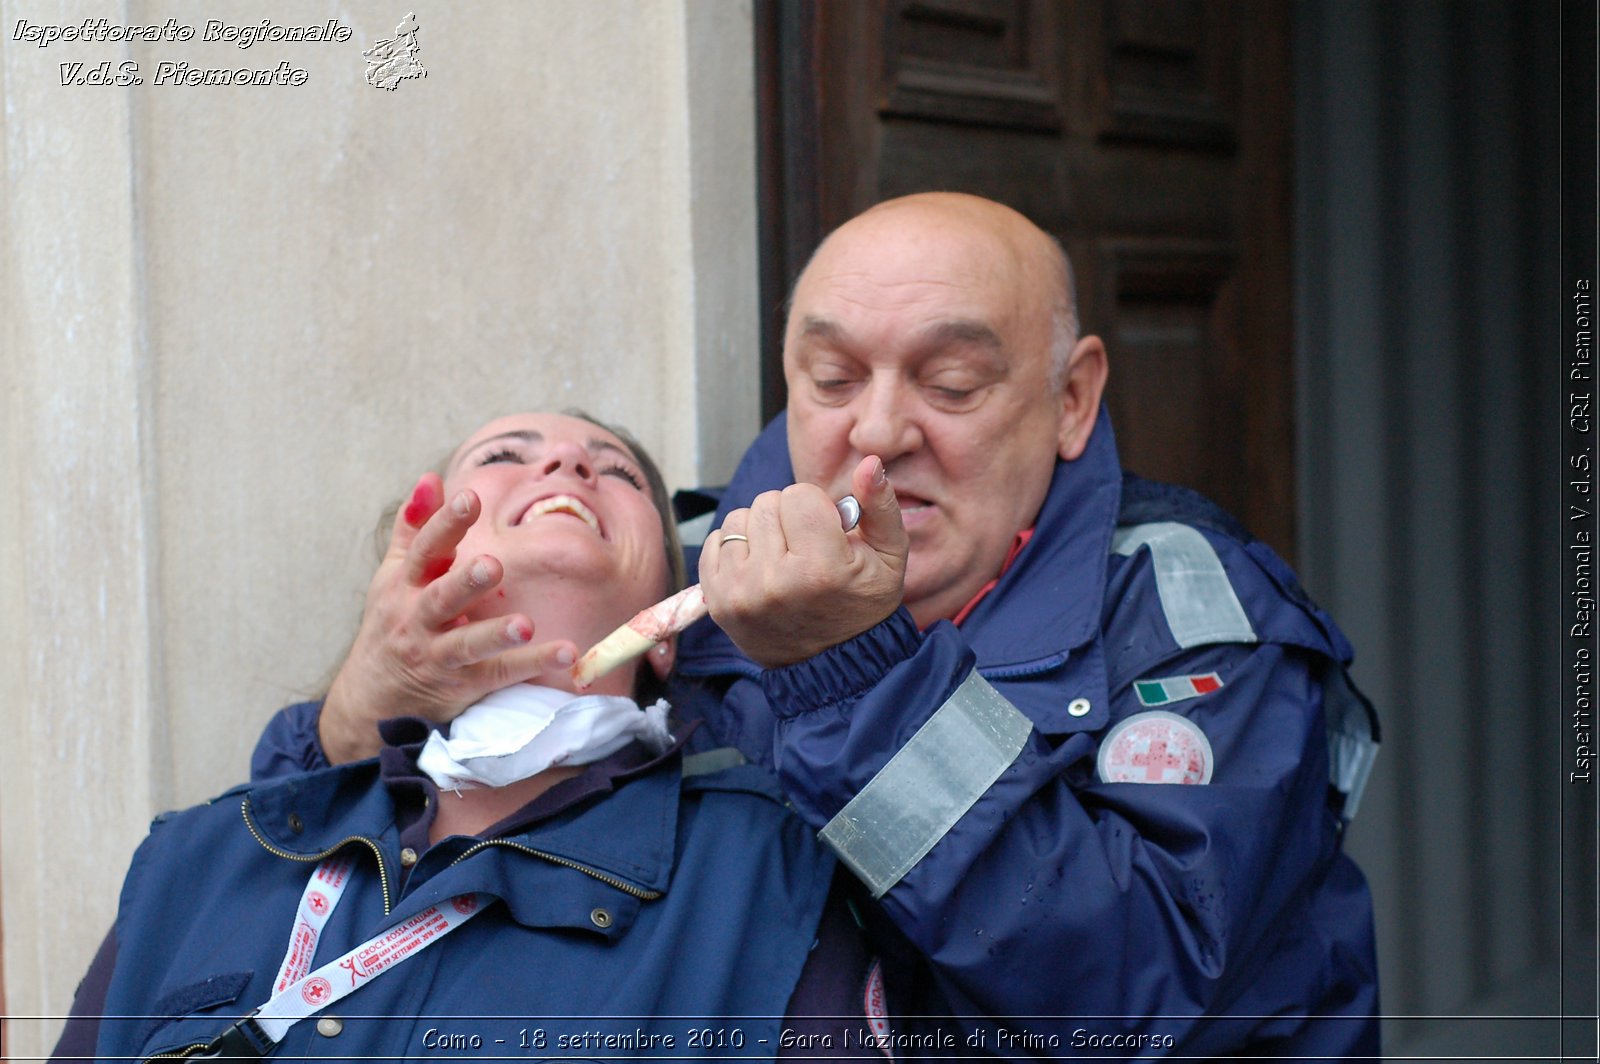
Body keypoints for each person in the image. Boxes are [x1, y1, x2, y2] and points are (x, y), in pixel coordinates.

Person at [255, 194, 1382, 1057]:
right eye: (833, 378)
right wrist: (357, 705)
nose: (878, 433)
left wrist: (847, 668)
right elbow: (419, 818)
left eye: (949, 382)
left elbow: (1126, 995)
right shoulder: (688, 587)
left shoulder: (1198, 629)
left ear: (1072, 398)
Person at [54, 413, 874, 1063]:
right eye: (504, 455)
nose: (567, 466)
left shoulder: (768, 874)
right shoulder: (193, 861)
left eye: (616, 470)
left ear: (667, 626)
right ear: (412, 570)